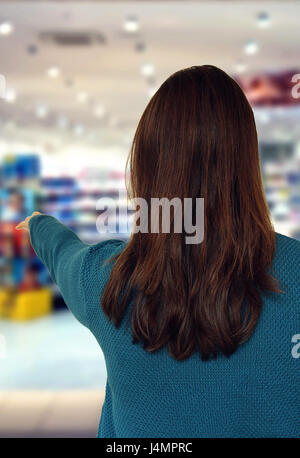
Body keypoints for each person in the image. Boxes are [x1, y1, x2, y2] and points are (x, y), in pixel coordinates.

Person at [16, 65, 300, 438]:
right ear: (246, 162)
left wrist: (38, 223)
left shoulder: (106, 279)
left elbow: (62, 252)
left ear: (148, 167)